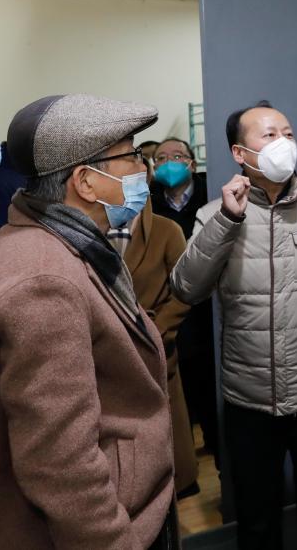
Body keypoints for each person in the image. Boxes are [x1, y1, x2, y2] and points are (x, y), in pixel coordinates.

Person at [0, 95, 176, 549]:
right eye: (130, 157)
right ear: (86, 182)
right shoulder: (45, 280)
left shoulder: (68, 244)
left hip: (132, 505)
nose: (143, 170)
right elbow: (60, 464)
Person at [169, 101, 297, 550]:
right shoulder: (213, 214)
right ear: (240, 153)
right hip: (248, 399)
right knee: (257, 521)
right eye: (269, 135)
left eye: (288, 133)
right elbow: (187, 288)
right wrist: (227, 219)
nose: (284, 142)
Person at [123, 200, 200, 498]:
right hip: (109, 357)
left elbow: (185, 290)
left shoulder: (166, 230)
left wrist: (157, 330)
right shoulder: (89, 230)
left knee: (170, 452)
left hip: (156, 351)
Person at [149, 138, 219, 461]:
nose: (169, 163)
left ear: (192, 162)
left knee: (211, 396)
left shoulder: (211, 196)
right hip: (168, 314)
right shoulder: (147, 205)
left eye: (177, 156)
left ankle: (219, 454)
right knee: (179, 400)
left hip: (209, 312)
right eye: (161, 158)